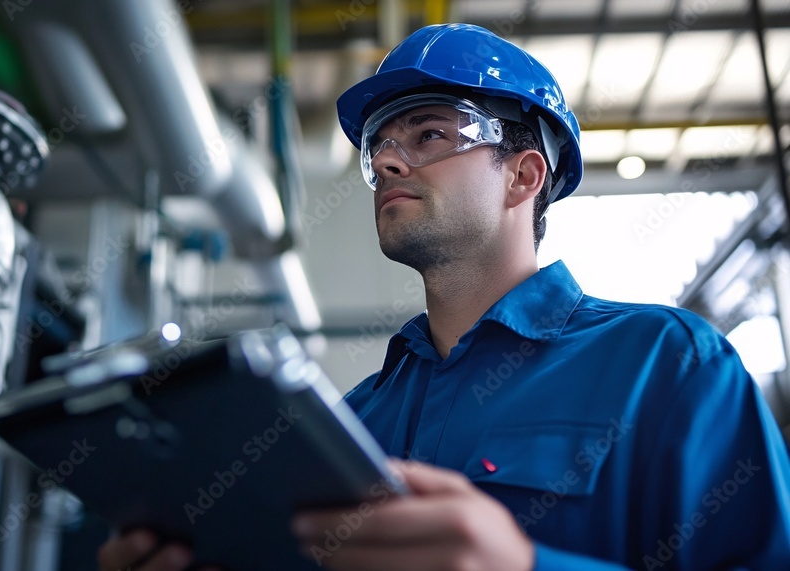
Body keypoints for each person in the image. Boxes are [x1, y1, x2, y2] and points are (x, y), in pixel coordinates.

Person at [99, 23, 790, 570]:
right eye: (381, 147)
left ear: (523, 177)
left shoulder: (667, 366)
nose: (388, 161)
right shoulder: (347, 421)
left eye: (430, 132)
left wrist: (524, 566)